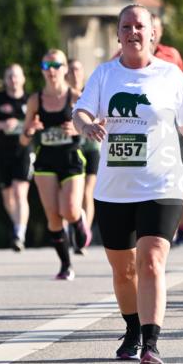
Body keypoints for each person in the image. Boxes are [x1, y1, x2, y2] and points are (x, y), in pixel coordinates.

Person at [73, 4, 183, 364]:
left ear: (153, 34)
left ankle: (151, 344)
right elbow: (80, 111)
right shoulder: (104, 75)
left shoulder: (171, 76)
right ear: (118, 34)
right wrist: (86, 126)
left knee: (150, 261)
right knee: (124, 272)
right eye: (126, 26)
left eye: (140, 26)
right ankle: (132, 330)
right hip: (114, 189)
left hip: (162, 183)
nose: (133, 32)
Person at [20, 49, 90, 280]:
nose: (52, 71)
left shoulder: (75, 97)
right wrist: (30, 130)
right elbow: (23, 137)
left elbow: (95, 126)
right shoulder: (35, 100)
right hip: (46, 160)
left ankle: (79, 220)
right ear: (42, 70)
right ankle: (65, 265)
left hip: (71, 159)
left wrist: (78, 128)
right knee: (53, 216)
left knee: (68, 210)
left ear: (65, 69)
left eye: (57, 65)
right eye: (47, 66)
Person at [0, 63, 32, 251]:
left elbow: (41, 123)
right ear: (5, 79)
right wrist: (1, 125)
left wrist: (26, 127)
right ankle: (17, 225)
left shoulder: (30, 100)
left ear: (23, 78)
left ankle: (20, 233)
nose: (13, 79)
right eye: (9, 76)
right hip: (2, 152)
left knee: (20, 192)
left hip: (24, 152)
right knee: (8, 198)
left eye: (16, 76)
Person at [66, 58, 99, 249]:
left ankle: (84, 233)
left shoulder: (91, 91)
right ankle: (75, 227)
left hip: (91, 146)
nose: (75, 73)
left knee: (88, 191)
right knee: (74, 193)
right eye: (71, 69)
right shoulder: (61, 94)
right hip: (72, 147)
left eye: (78, 69)